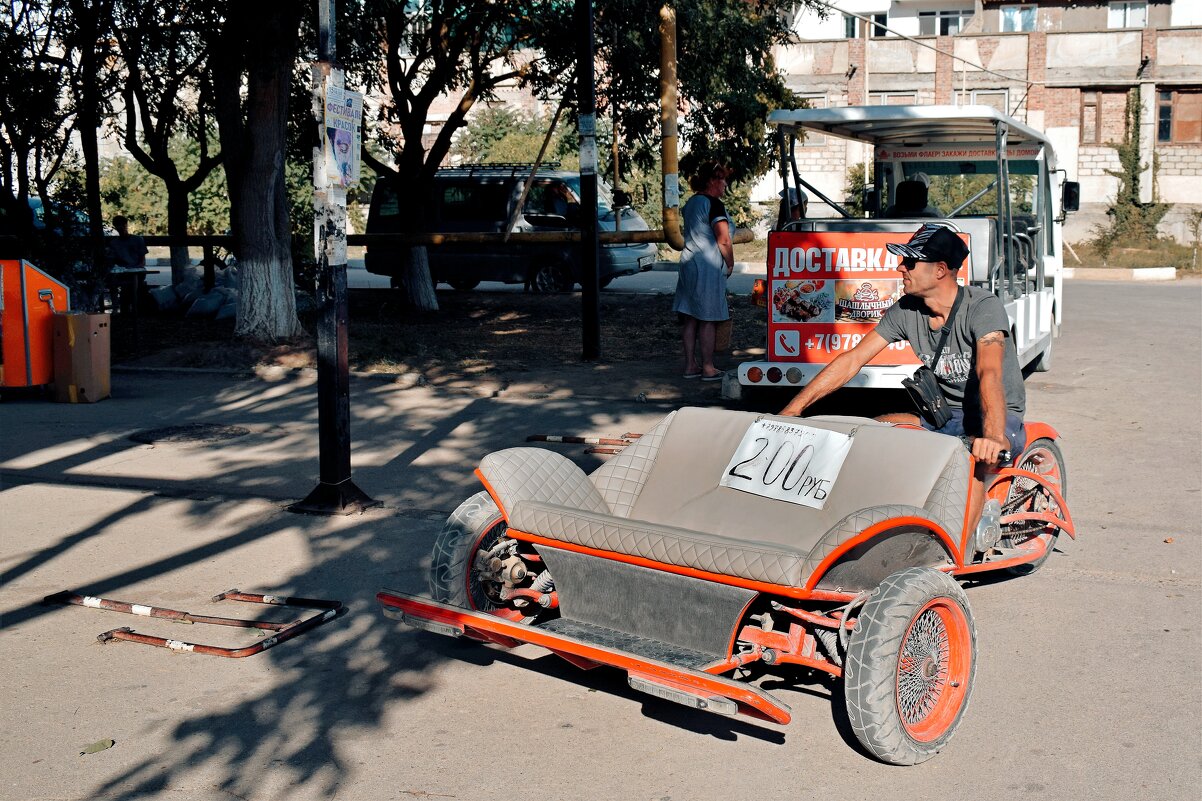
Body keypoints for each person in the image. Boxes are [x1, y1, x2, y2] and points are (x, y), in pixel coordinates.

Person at [779, 222, 1026, 530]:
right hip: (945, 416)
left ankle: (961, 553)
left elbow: (989, 373)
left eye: (910, 261)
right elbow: (853, 359)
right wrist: (794, 409)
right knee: (877, 430)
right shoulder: (907, 309)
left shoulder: (983, 307)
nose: (900, 267)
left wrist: (992, 437)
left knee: (972, 460)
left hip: (996, 417)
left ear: (939, 270)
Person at [674, 160, 734, 381]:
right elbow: (724, 240)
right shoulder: (714, 204)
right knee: (708, 318)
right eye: (722, 179)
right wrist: (730, 263)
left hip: (689, 263)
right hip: (708, 267)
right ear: (712, 181)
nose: (725, 184)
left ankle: (690, 365)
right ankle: (708, 367)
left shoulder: (691, 202)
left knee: (690, 317)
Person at [107, 215, 149, 314]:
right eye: (118, 226)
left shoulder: (138, 239)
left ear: (126, 225)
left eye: (122, 225)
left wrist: (134, 267)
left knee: (132, 282)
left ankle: (134, 307)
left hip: (137, 271)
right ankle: (115, 307)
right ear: (115, 227)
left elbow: (142, 261)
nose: (121, 228)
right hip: (122, 272)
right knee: (111, 280)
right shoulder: (114, 243)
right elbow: (112, 261)